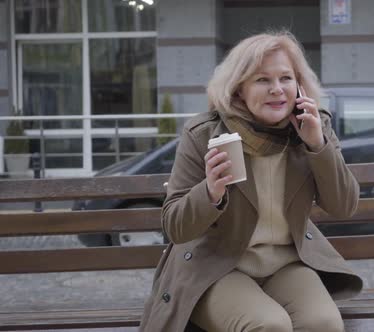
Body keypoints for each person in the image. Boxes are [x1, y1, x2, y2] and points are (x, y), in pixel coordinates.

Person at [139, 31, 362, 332]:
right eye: (262, 80)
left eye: (285, 78)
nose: (277, 90)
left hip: (286, 263)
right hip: (217, 266)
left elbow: (344, 206)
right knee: (268, 325)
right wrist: (210, 193)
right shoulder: (204, 134)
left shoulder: (312, 127)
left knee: (323, 323)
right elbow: (175, 226)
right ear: (239, 89)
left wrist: (317, 146)